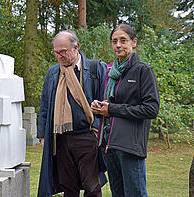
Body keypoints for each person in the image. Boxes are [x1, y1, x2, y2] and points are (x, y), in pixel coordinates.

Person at [91, 24, 160, 197]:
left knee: (135, 193)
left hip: (130, 145)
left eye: (123, 40)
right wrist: (99, 107)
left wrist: (112, 109)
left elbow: (151, 109)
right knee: (118, 194)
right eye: (114, 41)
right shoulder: (109, 71)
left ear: (133, 42)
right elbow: (110, 104)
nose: (118, 45)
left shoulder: (142, 70)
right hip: (108, 142)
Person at [37, 30, 107, 197]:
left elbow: (106, 101)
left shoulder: (96, 68)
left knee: (92, 188)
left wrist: (97, 130)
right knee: (68, 188)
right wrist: (42, 136)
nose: (59, 56)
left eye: (63, 51)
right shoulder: (53, 73)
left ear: (76, 47)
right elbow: (45, 106)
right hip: (60, 138)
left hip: (87, 136)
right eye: (56, 52)